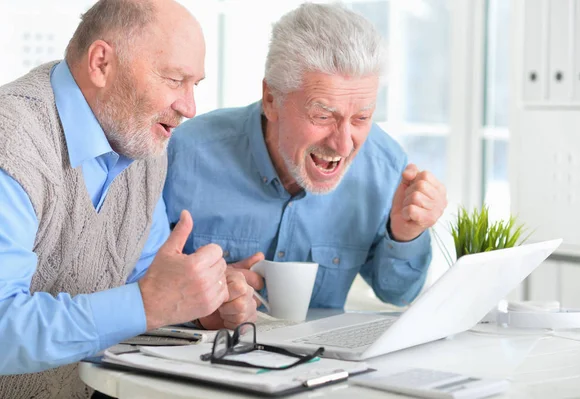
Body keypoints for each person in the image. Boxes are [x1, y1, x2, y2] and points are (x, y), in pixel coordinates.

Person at [0, 1, 255, 398]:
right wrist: (147, 302)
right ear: (101, 63)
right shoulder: (11, 144)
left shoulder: (141, 143)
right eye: (174, 79)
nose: (189, 107)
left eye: (195, 85)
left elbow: (144, 284)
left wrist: (197, 309)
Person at [163, 3, 448, 312]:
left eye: (361, 118)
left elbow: (399, 294)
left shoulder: (385, 166)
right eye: (323, 116)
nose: (342, 145)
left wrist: (405, 235)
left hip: (326, 360)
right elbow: (132, 285)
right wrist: (197, 290)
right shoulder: (180, 155)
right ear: (272, 100)